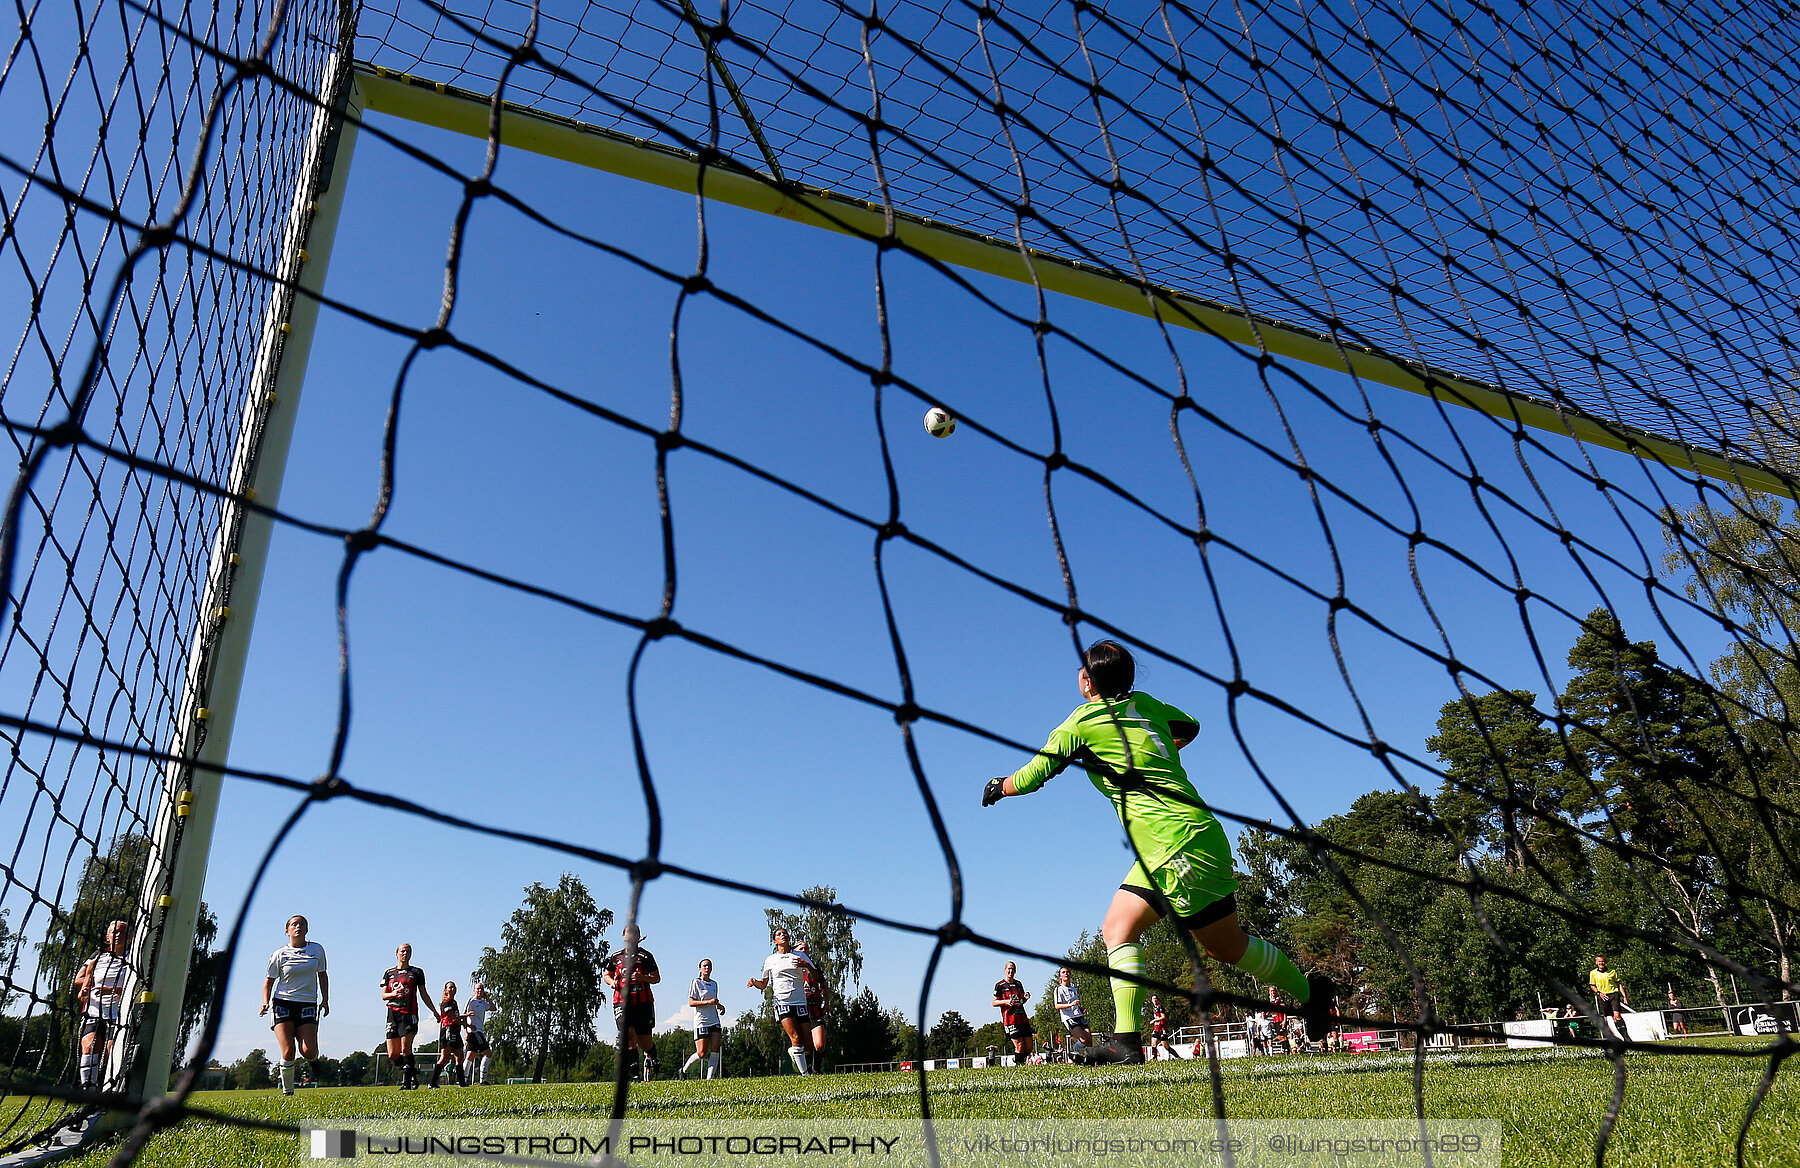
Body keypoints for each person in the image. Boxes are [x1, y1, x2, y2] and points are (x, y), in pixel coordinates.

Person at [982, 640, 1334, 1064]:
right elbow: (1190, 726)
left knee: (1224, 946)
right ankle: (1129, 1040)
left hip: (1174, 845)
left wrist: (999, 786)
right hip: (1189, 836)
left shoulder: (1081, 723)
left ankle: (1306, 994)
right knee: (1121, 929)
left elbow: (1035, 774)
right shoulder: (1145, 704)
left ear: (1088, 682)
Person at [259, 915, 328, 1095]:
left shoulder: (317, 950)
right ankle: (288, 1091)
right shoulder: (279, 954)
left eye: (302, 924)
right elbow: (268, 982)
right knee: (289, 1050)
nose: (298, 927)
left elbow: (322, 975)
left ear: (306, 930)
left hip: (307, 1004)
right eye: (294, 924)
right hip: (283, 1003)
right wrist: (265, 1003)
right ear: (287, 931)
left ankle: (314, 1060)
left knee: (308, 1050)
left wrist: (325, 1000)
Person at [72, 920, 130, 1090]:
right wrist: (84, 991)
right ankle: (88, 1091)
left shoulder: (133, 959)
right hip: (94, 1012)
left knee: (112, 1051)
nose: (117, 935)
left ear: (130, 937)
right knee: (89, 1046)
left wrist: (110, 989)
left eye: (122, 932)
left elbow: (135, 986)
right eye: (114, 932)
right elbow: (81, 983)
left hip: (119, 1014)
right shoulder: (96, 959)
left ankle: (109, 1090)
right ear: (107, 936)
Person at [748, 927, 814, 1074]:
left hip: (800, 1002)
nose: (783, 935)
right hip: (782, 1001)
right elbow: (764, 984)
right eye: (779, 934)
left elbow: (815, 974)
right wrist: (754, 982)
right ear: (775, 941)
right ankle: (805, 1075)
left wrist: (806, 965)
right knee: (795, 1037)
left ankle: (795, 1054)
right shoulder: (770, 960)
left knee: (808, 1043)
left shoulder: (799, 955)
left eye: (785, 933)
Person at [604, 924, 660, 1081]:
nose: (630, 937)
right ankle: (635, 1076)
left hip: (643, 1002)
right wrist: (611, 983)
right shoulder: (616, 957)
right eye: (628, 934)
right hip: (621, 1002)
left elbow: (656, 978)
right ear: (623, 937)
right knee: (628, 1036)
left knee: (644, 1041)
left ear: (638, 937)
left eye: (634, 934)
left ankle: (652, 1054)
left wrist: (643, 977)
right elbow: (607, 975)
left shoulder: (645, 956)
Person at [381, 943, 433, 1089]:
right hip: (392, 1014)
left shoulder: (416, 972)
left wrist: (434, 1011)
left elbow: (423, 993)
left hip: (409, 1014)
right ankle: (413, 1071)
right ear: (397, 954)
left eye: (408, 951)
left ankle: (406, 1084)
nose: (405, 953)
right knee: (392, 1054)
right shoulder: (389, 973)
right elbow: (384, 995)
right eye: (403, 951)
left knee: (406, 1048)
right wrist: (393, 994)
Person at [682, 959, 724, 1080]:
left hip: (714, 1020)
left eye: (709, 966)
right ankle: (684, 1070)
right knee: (701, 1053)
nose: (707, 968)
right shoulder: (696, 982)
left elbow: (714, 1001)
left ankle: (709, 1079)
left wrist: (720, 1006)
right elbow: (691, 1002)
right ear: (700, 969)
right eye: (705, 966)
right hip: (701, 1021)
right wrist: (707, 1002)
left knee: (715, 1049)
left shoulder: (714, 984)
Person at [794, 939, 830, 1072]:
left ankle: (817, 1067)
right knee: (805, 1044)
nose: (804, 951)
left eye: (806, 949)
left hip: (815, 1010)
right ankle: (807, 1069)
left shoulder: (814, 967)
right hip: (800, 1010)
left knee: (820, 1044)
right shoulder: (791, 969)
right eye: (801, 949)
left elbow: (824, 986)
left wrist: (827, 1002)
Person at [992, 961, 1035, 1065]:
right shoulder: (999, 985)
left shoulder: (1018, 984)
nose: (1010, 971)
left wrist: (1025, 998)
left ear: (1015, 971)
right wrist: (1006, 1001)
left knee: (1029, 1047)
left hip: (1022, 1017)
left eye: (1012, 969)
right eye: (1009, 969)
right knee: (1019, 1045)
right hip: (1010, 1019)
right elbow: (994, 1002)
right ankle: (1019, 1067)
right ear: (1005, 970)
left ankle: (1017, 1059)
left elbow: (1021, 1001)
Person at [428, 982, 468, 1087]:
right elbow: (453, 1018)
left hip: (456, 1030)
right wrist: (466, 1024)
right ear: (446, 990)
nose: (452, 989)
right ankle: (432, 1083)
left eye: (454, 987)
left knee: (459, 1057)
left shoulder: (454, 1002)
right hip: (448, 1030)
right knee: (444, 1057)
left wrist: (465, 1016)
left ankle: (462, 1083)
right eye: (450, 987)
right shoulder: (446, 1003)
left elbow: (456, 1016)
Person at [463, 983, 496, 1085]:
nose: (479, 991)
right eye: (477, 989)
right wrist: (466, 1030)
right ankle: (482, 1080)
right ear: (474, 990)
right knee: (487, 1053)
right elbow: (463, 1015)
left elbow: (493, 1008)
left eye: (481, 989)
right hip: (474, 1031)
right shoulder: (471, 1001)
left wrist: (487, 998)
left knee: (471, 1055)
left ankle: (463, 1079)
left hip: (479, 1031)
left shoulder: (483, 1002)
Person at [1052, 967, 1093, 1048]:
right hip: (1069, 1018)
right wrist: (1070, 1004)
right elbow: (1057, 1005)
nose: (1066, 973)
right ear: (1060, 976)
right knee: (1084, 1040)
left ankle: (1089, 1059)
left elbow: (1075, 1003)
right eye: (1063, 972)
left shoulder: (1073, 989)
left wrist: (1080, 1008)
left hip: (1079, 1016)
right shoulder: (1058, 989)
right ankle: (1075, 1049)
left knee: (1089, 1040)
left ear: (1070, 974)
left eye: (1067, 972)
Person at [1588, 955, 1628, 1037]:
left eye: (1602, 961)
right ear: (1596, 963)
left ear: (1605, 962)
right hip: (1603, 996)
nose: (1601, 963)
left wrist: (1624, 996)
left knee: (1617, 1015)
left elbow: (1619, 984)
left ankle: (1626, 1037)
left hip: (1613, 994)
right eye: (1599, 961)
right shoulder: (1593, 973)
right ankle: (1621, 1036)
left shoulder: (1612, 971)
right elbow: (1592, 985)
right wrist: (1599, 993)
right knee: (1613, 1017)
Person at [1147, 995, 1182, 1059]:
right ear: (1151, 1000)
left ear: (1157, 1000)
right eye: (1153, 999)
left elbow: (1163, 1017)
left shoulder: (1160, 1007)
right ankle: (1154, 1058)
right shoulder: (1154, 1007)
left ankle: (1178, 1057)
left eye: (1156, 998)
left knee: (1166, 1046)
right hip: (1156, 1028)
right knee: (1153, 1044)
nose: (1155, 1000)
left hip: (1162, 1028)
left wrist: (1154, 1020)